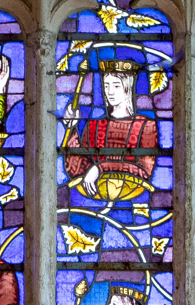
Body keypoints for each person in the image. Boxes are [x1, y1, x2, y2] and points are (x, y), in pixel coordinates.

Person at [62, 50, 158, 203]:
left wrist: (100, 168)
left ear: (127, 88)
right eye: (106, 86)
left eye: (116, 86)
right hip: (94, 200)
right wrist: (72, 129)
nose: (110, 92)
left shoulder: (145, 126)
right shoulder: (94, 125)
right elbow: (78, 170)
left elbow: (144, 171)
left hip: (134, 199)